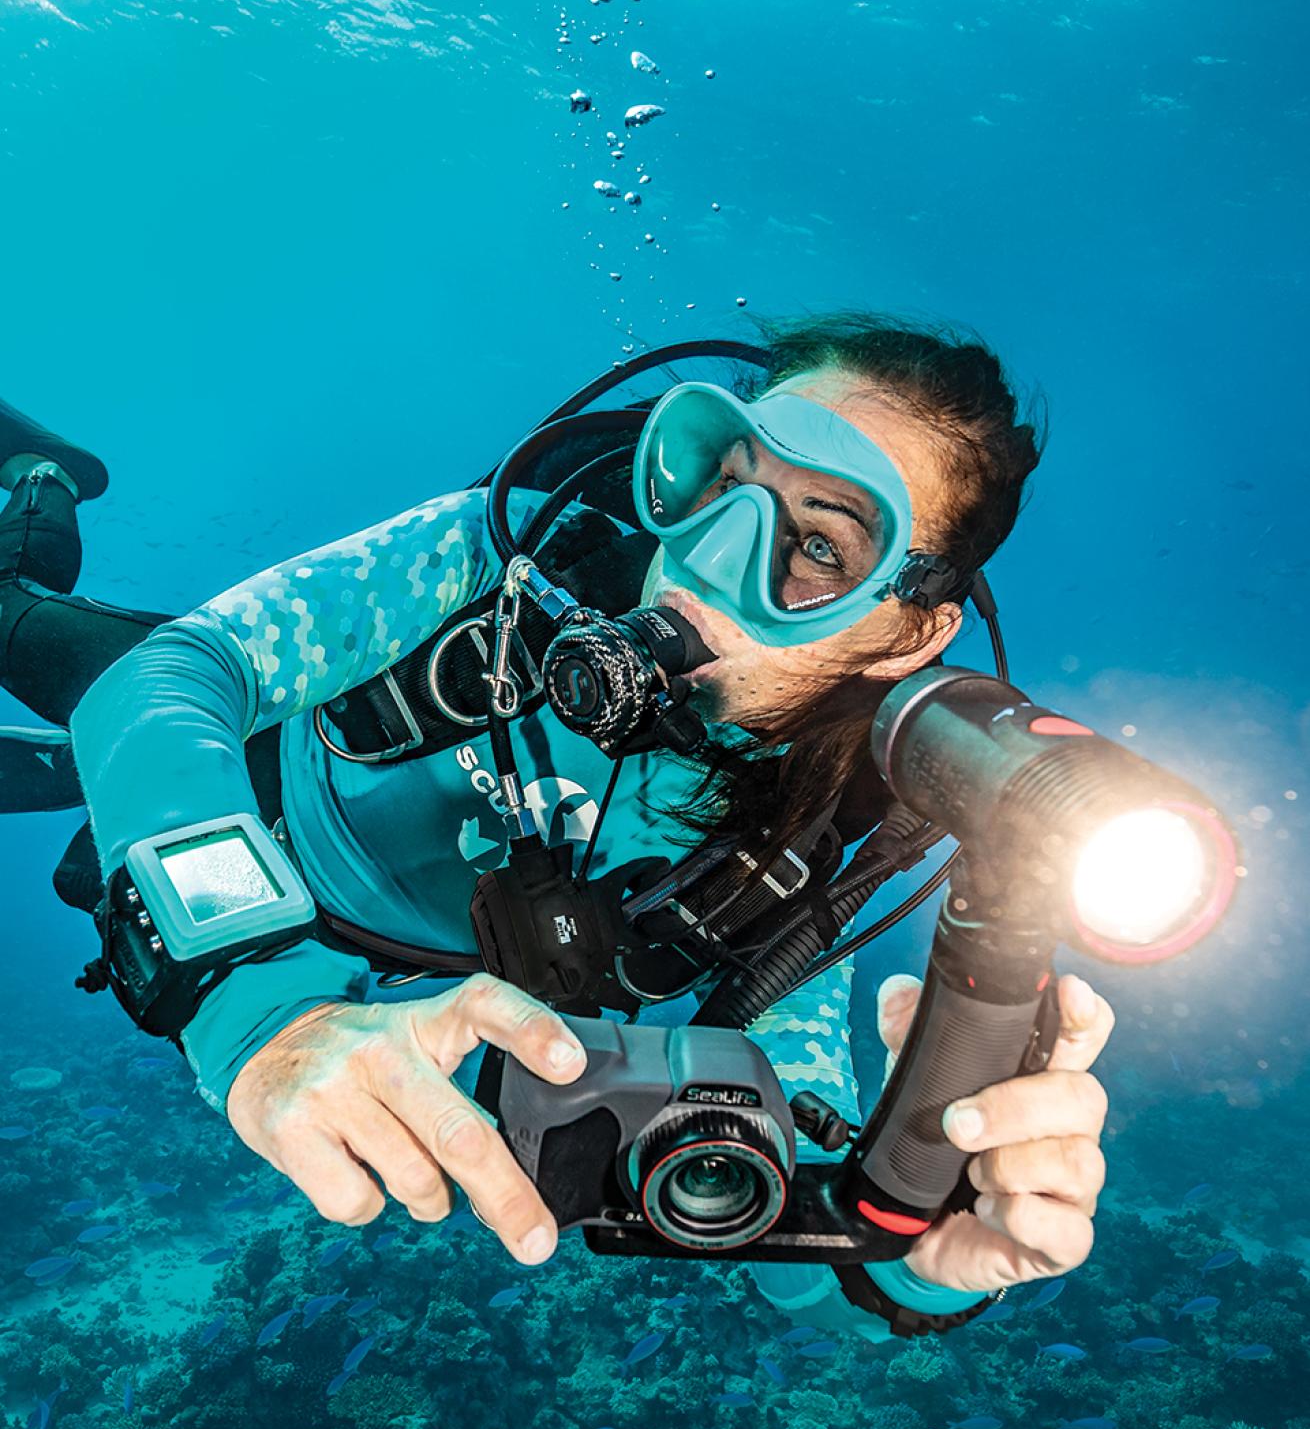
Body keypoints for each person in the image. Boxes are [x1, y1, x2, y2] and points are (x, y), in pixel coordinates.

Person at [0, 311, 1113, 1343]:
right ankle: (37, 486)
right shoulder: (529, 559)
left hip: (335, 919)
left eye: (819, 548)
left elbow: (793, 1249)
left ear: (909, 632)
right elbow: (181, 677)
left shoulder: (794, 862)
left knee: (65, 783)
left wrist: (924, 1250)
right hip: (243, 772)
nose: (704, 561)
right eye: (722, 480)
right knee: (30, 638)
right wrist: (254, 999)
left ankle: (65, 760)